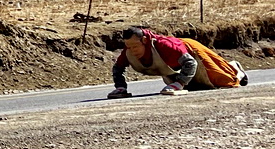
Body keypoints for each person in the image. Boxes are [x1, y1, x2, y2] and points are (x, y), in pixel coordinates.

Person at [107, 26, 249, 98]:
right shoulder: (129, 52)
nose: (132, 51)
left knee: (222, 80)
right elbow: (117, 68)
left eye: (135, 46)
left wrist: (179, 83)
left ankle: (235, 68)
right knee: (195, 87)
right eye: (129, 47)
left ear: (145, 41)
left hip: (191, 50)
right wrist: (121, 88)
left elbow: (190, 63)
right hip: (173, 67)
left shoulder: (166, 46)